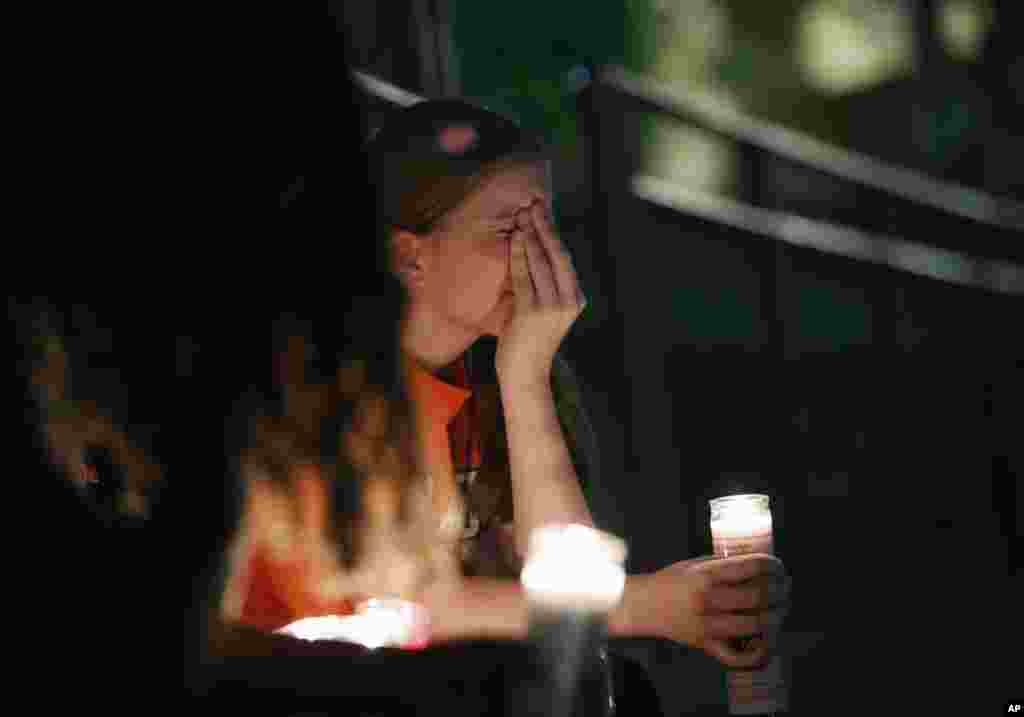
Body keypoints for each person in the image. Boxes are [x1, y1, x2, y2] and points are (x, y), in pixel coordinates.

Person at [224, 96, 792, 672]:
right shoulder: (335, 376)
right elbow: (420, 605)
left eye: (546, 224)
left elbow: (558, 572)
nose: (539, 254)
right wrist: (646, 604)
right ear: (409, 258)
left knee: (609, 679)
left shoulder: (488, 373)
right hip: (289, 682)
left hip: (403, 685)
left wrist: (525, 376)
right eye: (510, 230)